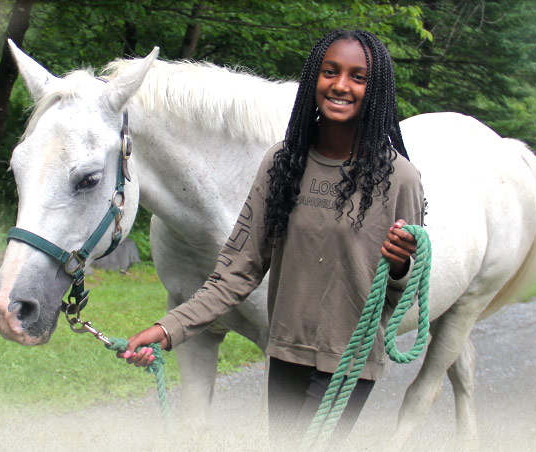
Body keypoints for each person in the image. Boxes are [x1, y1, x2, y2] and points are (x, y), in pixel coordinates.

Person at [119, 28, 424, 445]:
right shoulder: (282, 164)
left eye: (358, 77)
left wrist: (403, 263)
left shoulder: (399, 179)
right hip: (285, 353)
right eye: (330, 71)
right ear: (313, 79)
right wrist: (168, 329)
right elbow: (236, 270)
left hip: (349, 363)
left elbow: (408, 288)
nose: (340, 85)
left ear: (377, 90)